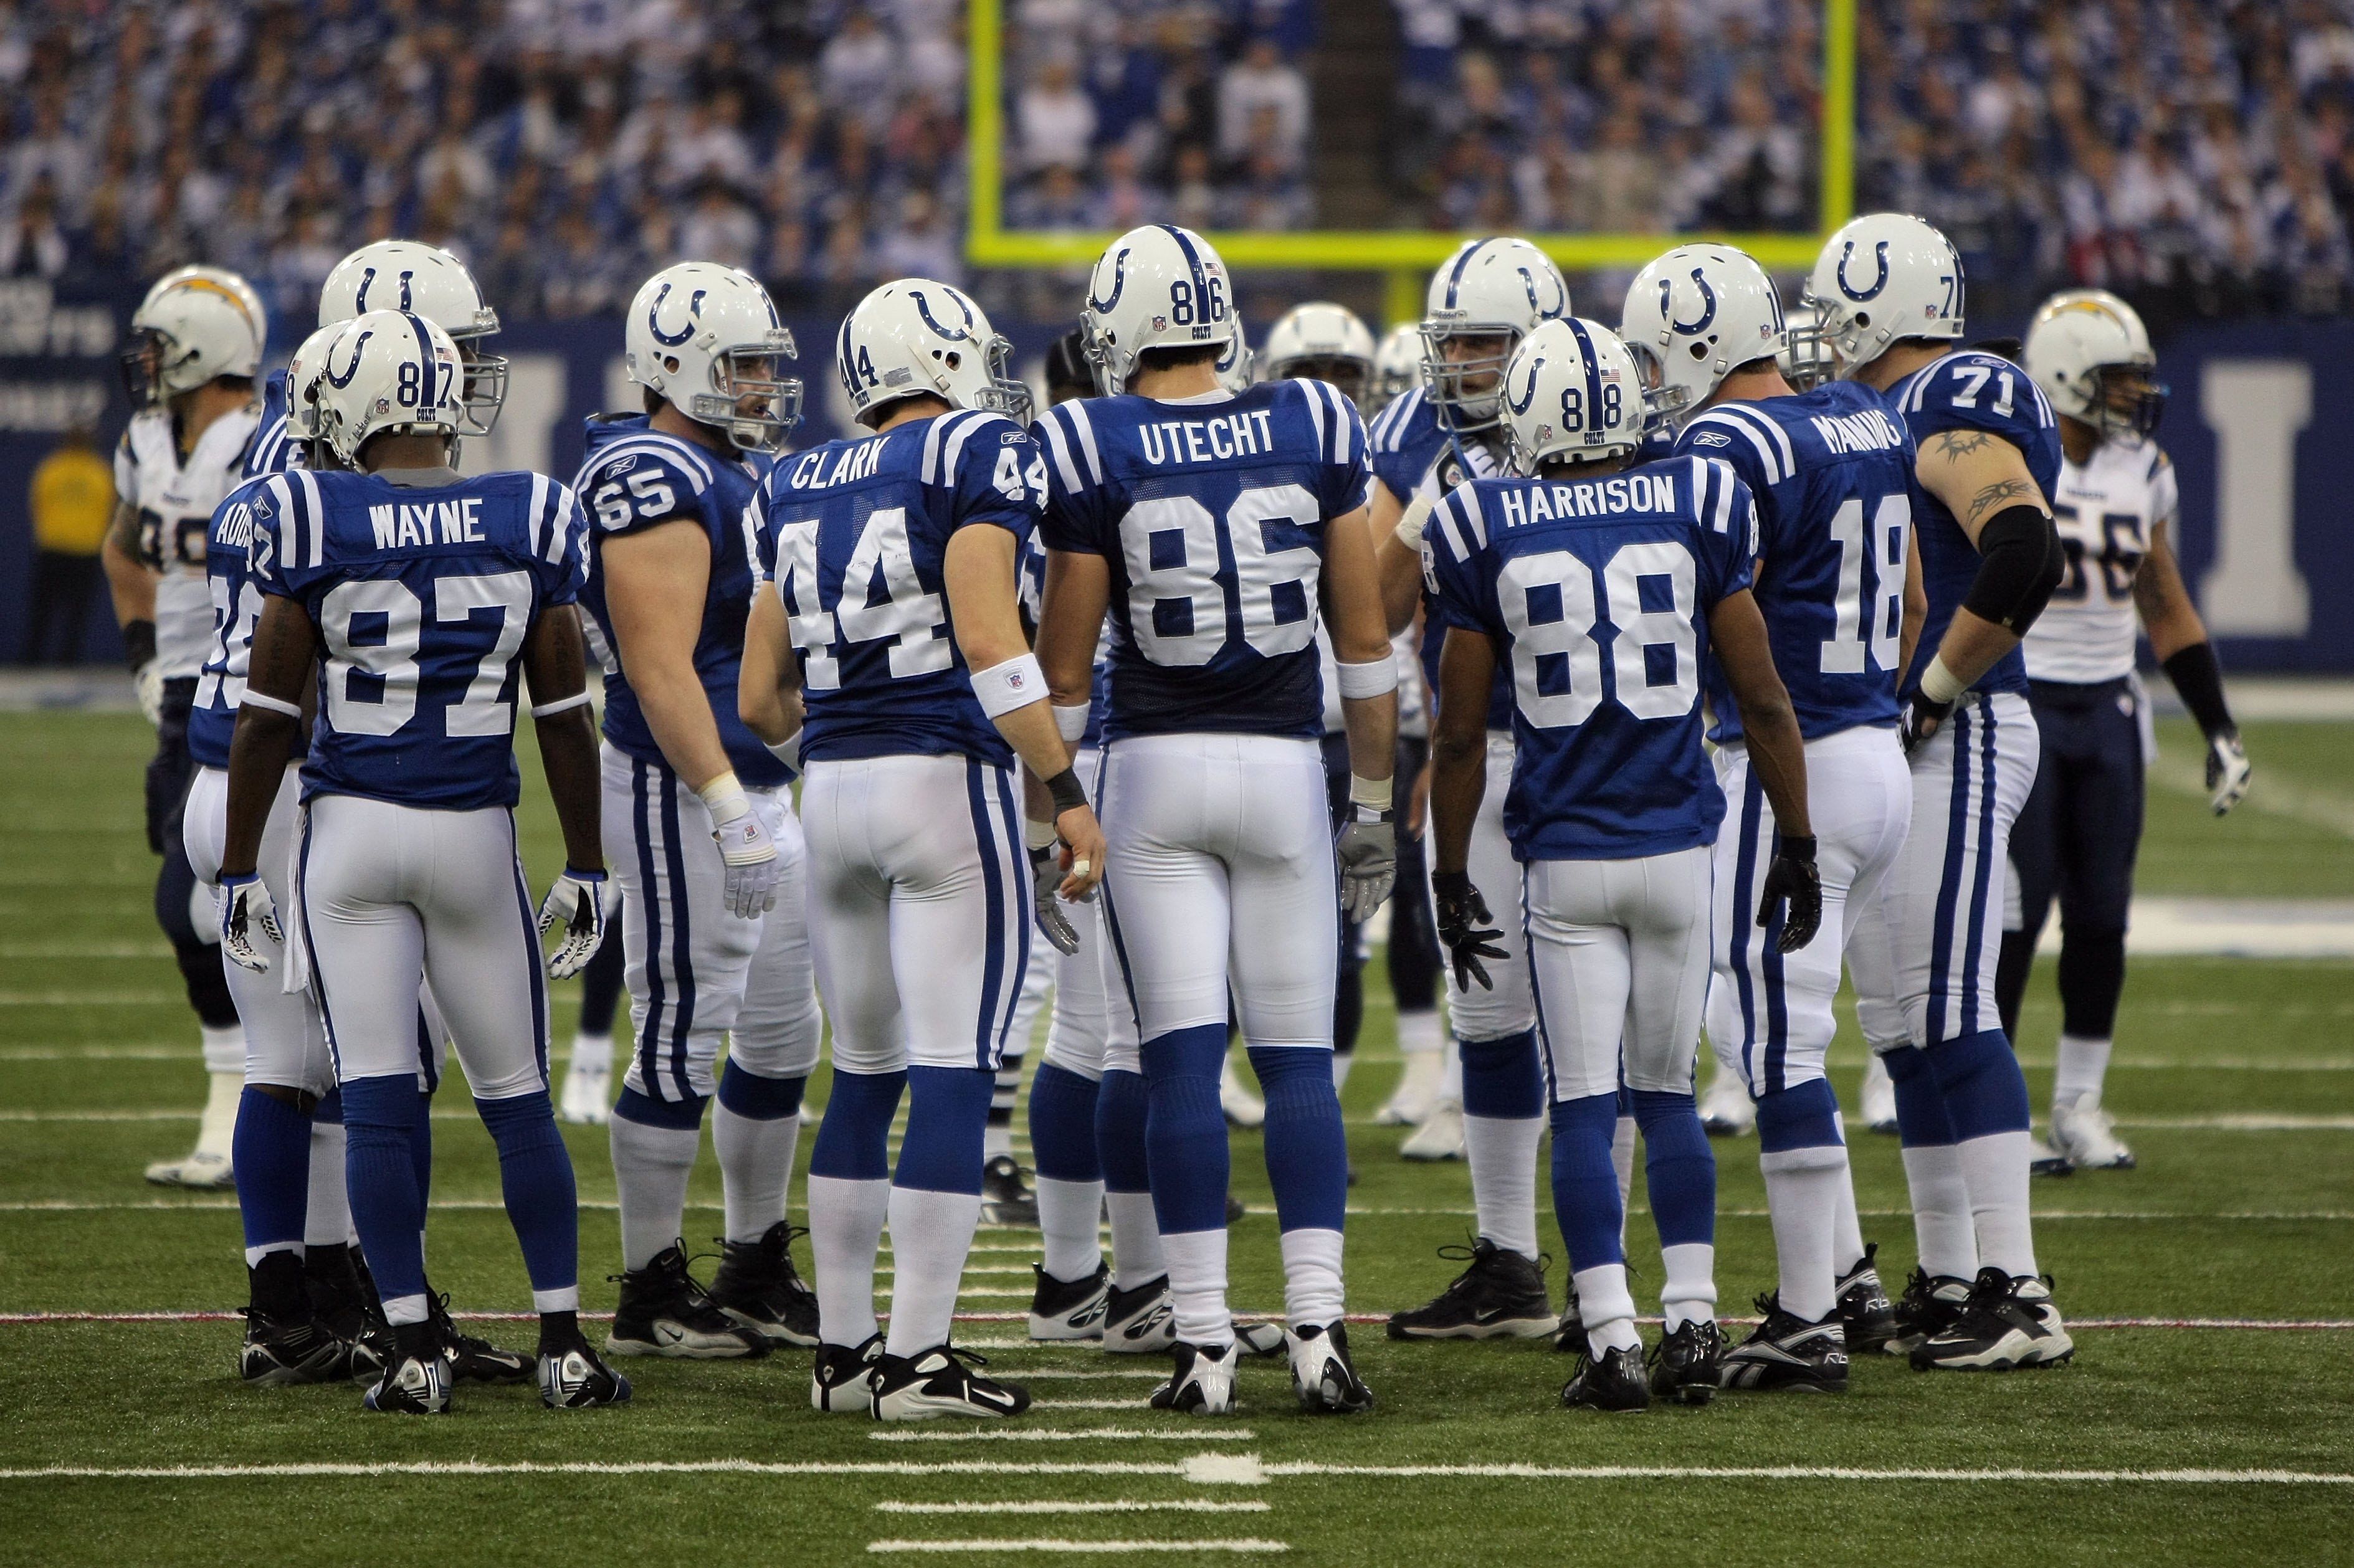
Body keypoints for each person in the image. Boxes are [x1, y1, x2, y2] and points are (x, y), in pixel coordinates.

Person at [217, 308, 626, 1414]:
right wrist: (586, 860)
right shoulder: (530, 509)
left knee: (381, 1106)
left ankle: (408, 1349)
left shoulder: (309, 508)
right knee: (518, 1100)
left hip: (350, 840)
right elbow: (561, 712)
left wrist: (240, 867)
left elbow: (264, 717)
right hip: (471, 837)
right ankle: (560, 1342)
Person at [1421, 315, 1821, 1412]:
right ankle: (1690, 1315)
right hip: (1676, 845)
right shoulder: (1695, 499)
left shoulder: (1479, 518)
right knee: (1671, 1097)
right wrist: (1794, 838)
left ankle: (1610, 1335)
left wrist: (1451, 874)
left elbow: (1458, 738)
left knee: (1585, 1104)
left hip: (1564, 859)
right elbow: (1764, 698)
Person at [1034, 223, 1398, 1417]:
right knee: (1295, 1062)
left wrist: (1059, 807)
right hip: (1285, 769)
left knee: (1179, 1058)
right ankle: (1315, 1331)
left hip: (1151, 769)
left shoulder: (1089, 434)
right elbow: (1361, 639)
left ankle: (1201, 1345)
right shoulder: (1313, 419)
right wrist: (1376, 798)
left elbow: (1068, 666)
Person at [740, 277, 1102, 1420]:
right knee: (953, 1069)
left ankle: (843, 1357)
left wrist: (845, 753)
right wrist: (1065, 791)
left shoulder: (787, 478)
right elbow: (996, 649)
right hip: (942, 783)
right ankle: (918, 1360)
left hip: (832, 791)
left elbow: (759, 699)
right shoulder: (975, 452)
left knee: (861, 1074)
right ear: (943, 357)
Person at [1624, 244, 1914, 1389]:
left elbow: (1707, 615)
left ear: (1695, 347)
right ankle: (1844, 1278)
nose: (1652, 382)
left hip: (1783, 762)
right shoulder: (1860, 417)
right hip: (1876, 748)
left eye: (1655, 357)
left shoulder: (1725, 443)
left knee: (1773, 1041)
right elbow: (1916, 601)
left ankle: (1805, 1318)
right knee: (1771, 1028)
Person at [1801, 212, 2074, 1371]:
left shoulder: (1950, 395)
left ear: (1877, 302)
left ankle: (2017, 1290)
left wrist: (1926, 693)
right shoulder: (1878, 409)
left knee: (1954, 1005)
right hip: (1908, 738)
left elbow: (2021, 548)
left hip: (1955, 732)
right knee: (1902, 1027)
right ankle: (1953, 1273)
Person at [575, 261, 822, 1358]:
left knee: (781, 1030)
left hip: (757, 783)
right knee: (682, 1030)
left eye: (767, 363)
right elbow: (658, 665)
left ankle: (755, 1257)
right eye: (742, 365)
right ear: (675, 366)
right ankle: (647, 1287)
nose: (763, 384)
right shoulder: (650, 469)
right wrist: (724, 801)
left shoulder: (723, 468)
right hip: (685, 787)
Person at [1366, 239, 1581, 1340]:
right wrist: (1417, 515)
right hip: (1483, 752)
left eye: (1484, 342)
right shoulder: (1419, 439)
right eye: (1450, 341)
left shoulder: (1612, 411)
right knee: (1489, 1013)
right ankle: (1507, 1259)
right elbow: (1365, 600)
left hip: (1593, 751)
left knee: (1610, 1031)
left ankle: (1616, 1281)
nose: (1460, 363)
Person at [2002, 289, 2251, 1172]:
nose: (2132, 396)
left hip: (2107, 711)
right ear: (2066, 376)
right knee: (2013, 916)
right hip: (2022, 705)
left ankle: (2077, 1105)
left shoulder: (2137, 465)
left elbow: (2163, 599)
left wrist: (2215, 723)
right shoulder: (2011, 459)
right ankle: (1992, 1116)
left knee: (2101, 919)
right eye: (2116, 379)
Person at [103, 271, 265, 1190]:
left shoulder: (261, 445)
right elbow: (122, 549)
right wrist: (143, 658)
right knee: (191, 909)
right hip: (183, 702)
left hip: (246, 693)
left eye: (161, 346)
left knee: (197, 901)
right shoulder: (146, 442)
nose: (148, 363)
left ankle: (250, 1100)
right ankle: (240, 1099)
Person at [22, 424, 112, 665]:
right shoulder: (98, 471)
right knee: (76, 613)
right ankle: (66, 661)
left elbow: (37, 505)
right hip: (85, 550)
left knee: (44, 612)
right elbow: (108, 511)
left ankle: (33, 661)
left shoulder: (52, 468)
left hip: (54, 548)